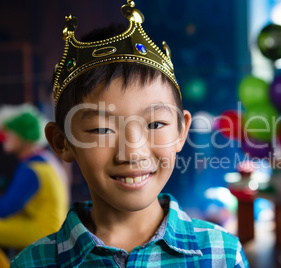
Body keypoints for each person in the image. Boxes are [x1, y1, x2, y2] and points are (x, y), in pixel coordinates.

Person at [11, 1, 249, 267]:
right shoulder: (32, 263)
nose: (133, 152)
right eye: (102, 129)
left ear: (182, 131)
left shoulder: (222, 255)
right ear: (61, 141)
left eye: (155, 124)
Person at [0, 104, 69, 250]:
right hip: (53, 227)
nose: (4, 137)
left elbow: (6, 208)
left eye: (9, 132)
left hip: (45, 231)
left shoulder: (32, 168)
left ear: (24, 134)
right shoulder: (43, 158)